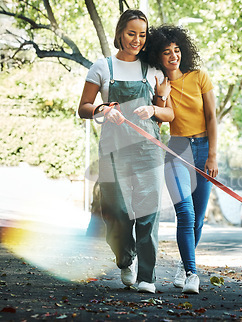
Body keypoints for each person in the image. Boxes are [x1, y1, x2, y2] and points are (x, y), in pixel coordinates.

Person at [78, 9, 174, 294]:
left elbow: (168, 113)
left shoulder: (154, 69)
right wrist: (103, 109)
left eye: (142, 35)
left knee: (148, 214)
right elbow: (83, 107)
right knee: (117, 211)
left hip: (148, 150)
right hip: (113, 149)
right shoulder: (102, 67)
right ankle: (125, 257)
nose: (136, 40)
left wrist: (154, 108)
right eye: (131, 33)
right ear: (120, 32)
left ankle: (147, 276)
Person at [145, 25, 218, 294]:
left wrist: (212, 155)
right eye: (166, 52)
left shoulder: (200, 77)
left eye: (176, 50)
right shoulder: (162, 84)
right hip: (177, 149)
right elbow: (165, 119)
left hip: (203, 150)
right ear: (158, 57)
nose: (173, 56)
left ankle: (182, 265)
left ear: (183, 52)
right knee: (185, 214)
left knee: (198, 219)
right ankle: (192, 273)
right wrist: (161, 95)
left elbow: (211, 117)